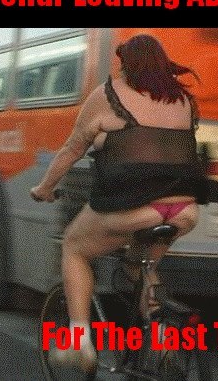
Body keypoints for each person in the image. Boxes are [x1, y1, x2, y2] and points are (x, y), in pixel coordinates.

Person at [30, 34, 208, 373]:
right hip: (183, 210)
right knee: (142, 267)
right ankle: (163, 341)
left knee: (74, 248)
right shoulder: (184, 100)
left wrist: (44, 187)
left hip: (132, 208)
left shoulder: (109, 95)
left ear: (126, 63)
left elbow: (72, 149)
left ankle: (79, 342)